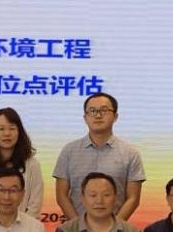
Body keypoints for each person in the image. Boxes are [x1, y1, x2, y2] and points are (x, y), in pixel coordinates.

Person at [54, 92, 145, 222]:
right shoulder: (69, 151)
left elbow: (133, 198)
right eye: (92, 111)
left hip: (117, 229)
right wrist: (78, 226)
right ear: (85, 118)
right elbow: (61, 195)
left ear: (115, 116)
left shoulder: (130, 153)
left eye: (104, 110)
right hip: (76, 228)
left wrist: (114, 226)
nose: (98, 115)